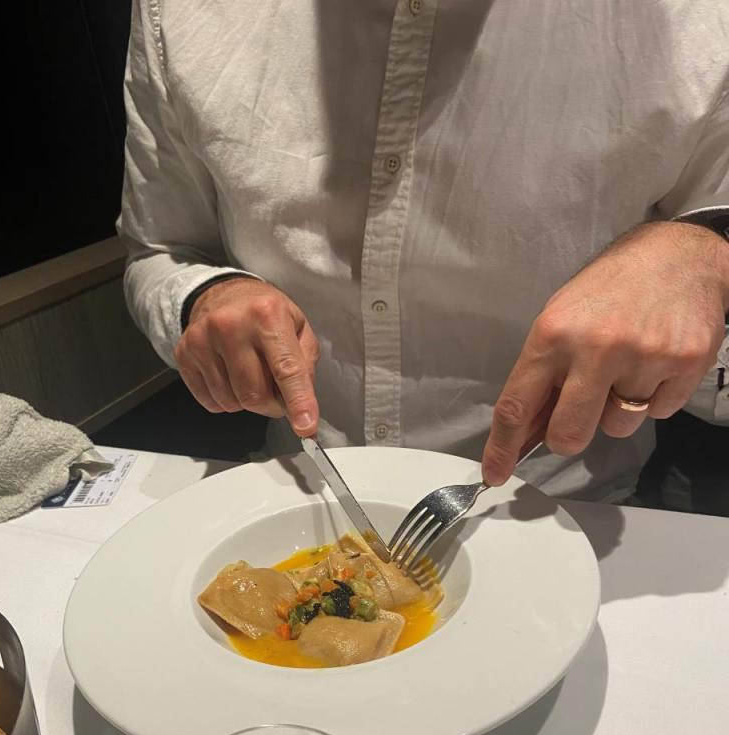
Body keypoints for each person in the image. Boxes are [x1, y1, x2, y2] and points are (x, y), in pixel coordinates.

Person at [119, 1, 729, 502]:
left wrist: (706, 258)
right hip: (298, 496)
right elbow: (158, 249)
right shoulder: (181, 13)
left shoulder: (702, 23)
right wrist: (207, 295)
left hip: (573, 509)